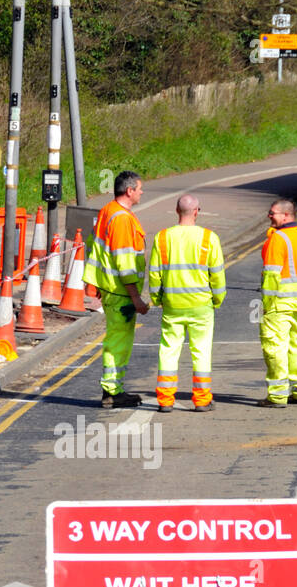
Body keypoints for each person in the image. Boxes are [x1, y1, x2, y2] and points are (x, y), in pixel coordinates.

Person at [148, 194, 225, 412]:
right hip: (201, 305)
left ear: (176, 210)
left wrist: (156, 299)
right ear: (197, 211)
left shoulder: (162, 237)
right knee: (201, 351)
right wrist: (217, 299)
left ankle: (165, 400)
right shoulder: (209, 238)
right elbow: (217, 275)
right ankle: (201, 400)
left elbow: (154, 275)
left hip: (172, 304)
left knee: (169, 350)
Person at [83, 171, 149, 408]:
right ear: (129, 191)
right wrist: (136, 298)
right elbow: (124, 262)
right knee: (119, 341)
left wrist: (99, 282)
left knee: (116, 338)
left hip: (111, 288)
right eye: (140, 188)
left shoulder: (107, 211)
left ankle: (113, 388)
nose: (142, 192)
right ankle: (112, 390)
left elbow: (94, 248)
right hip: (121, 292)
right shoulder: (121, 218)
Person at [257, 198, 297, 407]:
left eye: (273, 212)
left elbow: (271, 275)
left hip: (279, 304)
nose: (269, 215)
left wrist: (266, 303)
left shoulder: (278, 238)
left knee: (275, 348)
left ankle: (277, 396)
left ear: (286, 215)